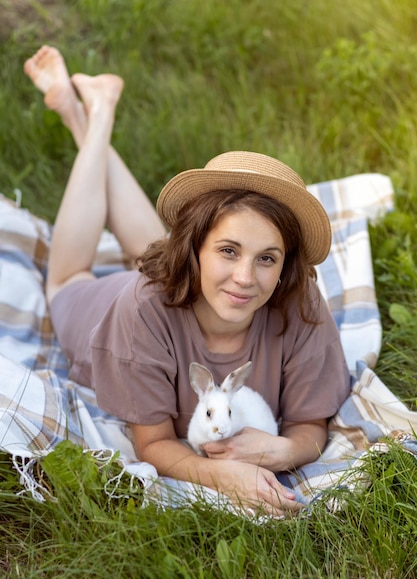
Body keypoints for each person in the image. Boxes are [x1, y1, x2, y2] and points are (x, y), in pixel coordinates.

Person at [24, 45, 351, 517]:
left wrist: (281, 452)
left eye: (267, 258)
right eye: (228, 250)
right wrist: (221, 474)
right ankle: (94, 117)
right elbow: (153, 443)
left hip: (183, 283)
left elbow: (308, 426)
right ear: (195, 247)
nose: (245, 278)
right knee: (66, 278)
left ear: (286, 266)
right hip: (110, 308)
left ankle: (86, 111)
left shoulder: (300, 302)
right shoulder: (141, 308)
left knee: (163, 255)